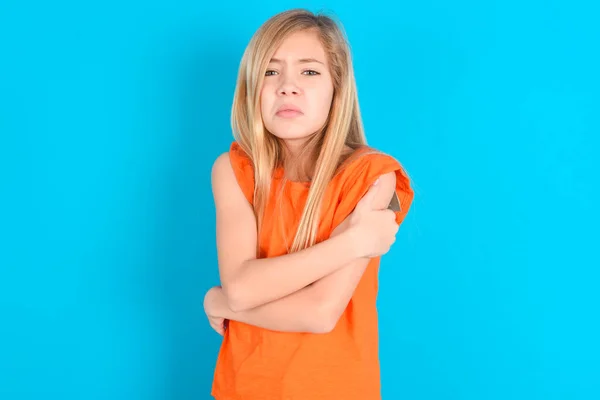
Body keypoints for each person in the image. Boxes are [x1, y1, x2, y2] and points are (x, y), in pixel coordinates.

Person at [203, 8, 414, 400]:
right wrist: (352, 243)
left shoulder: (370, 175)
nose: (287, 86)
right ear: (252, 89)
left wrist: (219, 301)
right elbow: (243, 288)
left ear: (338, 87)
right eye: (270, 71)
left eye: (309, 72)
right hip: (244, 387)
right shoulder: (233, 170)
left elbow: (318, 313)